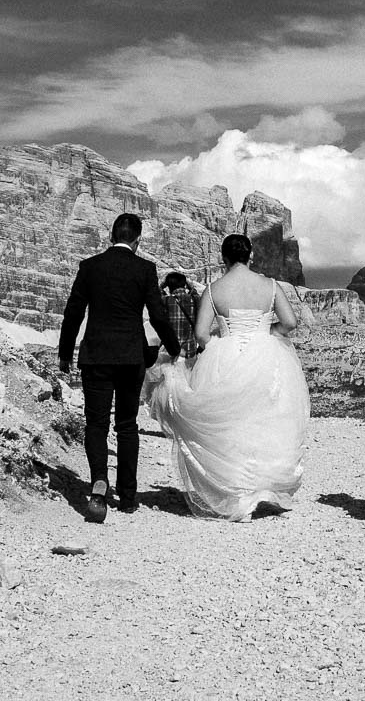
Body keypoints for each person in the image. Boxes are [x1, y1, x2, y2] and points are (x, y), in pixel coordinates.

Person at [144, 232, 309, 521]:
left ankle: (237, 493)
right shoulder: (270, 286)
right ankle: (263, 489)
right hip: (267, 354)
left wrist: (222, 341)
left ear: (224, 258)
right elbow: (290, 322)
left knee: (231, 423)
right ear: (250, 256)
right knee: (267, 419)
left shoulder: (213, 288)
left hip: (227, 353)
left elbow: (201, 334)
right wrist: (271, 334)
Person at [58, 212, 181, 522]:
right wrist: (174, 345)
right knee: (127, 424)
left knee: (96, 423)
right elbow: (156, 315)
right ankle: (127, 496)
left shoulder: (90, 267)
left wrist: (64, 353)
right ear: (137, 242)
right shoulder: (145, 269)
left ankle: (99, 484)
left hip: (96, 354)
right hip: (130, 356)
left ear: (110, 237)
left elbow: (73, 312)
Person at [160, 271, 200, 364]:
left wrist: (162, 285)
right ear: (184, 284)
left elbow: (156, 294)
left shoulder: (166, 300)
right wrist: (190, 286)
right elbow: (195, 293)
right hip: (190, 350)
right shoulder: (194, 299)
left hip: (171, 350)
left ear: (168, 285)